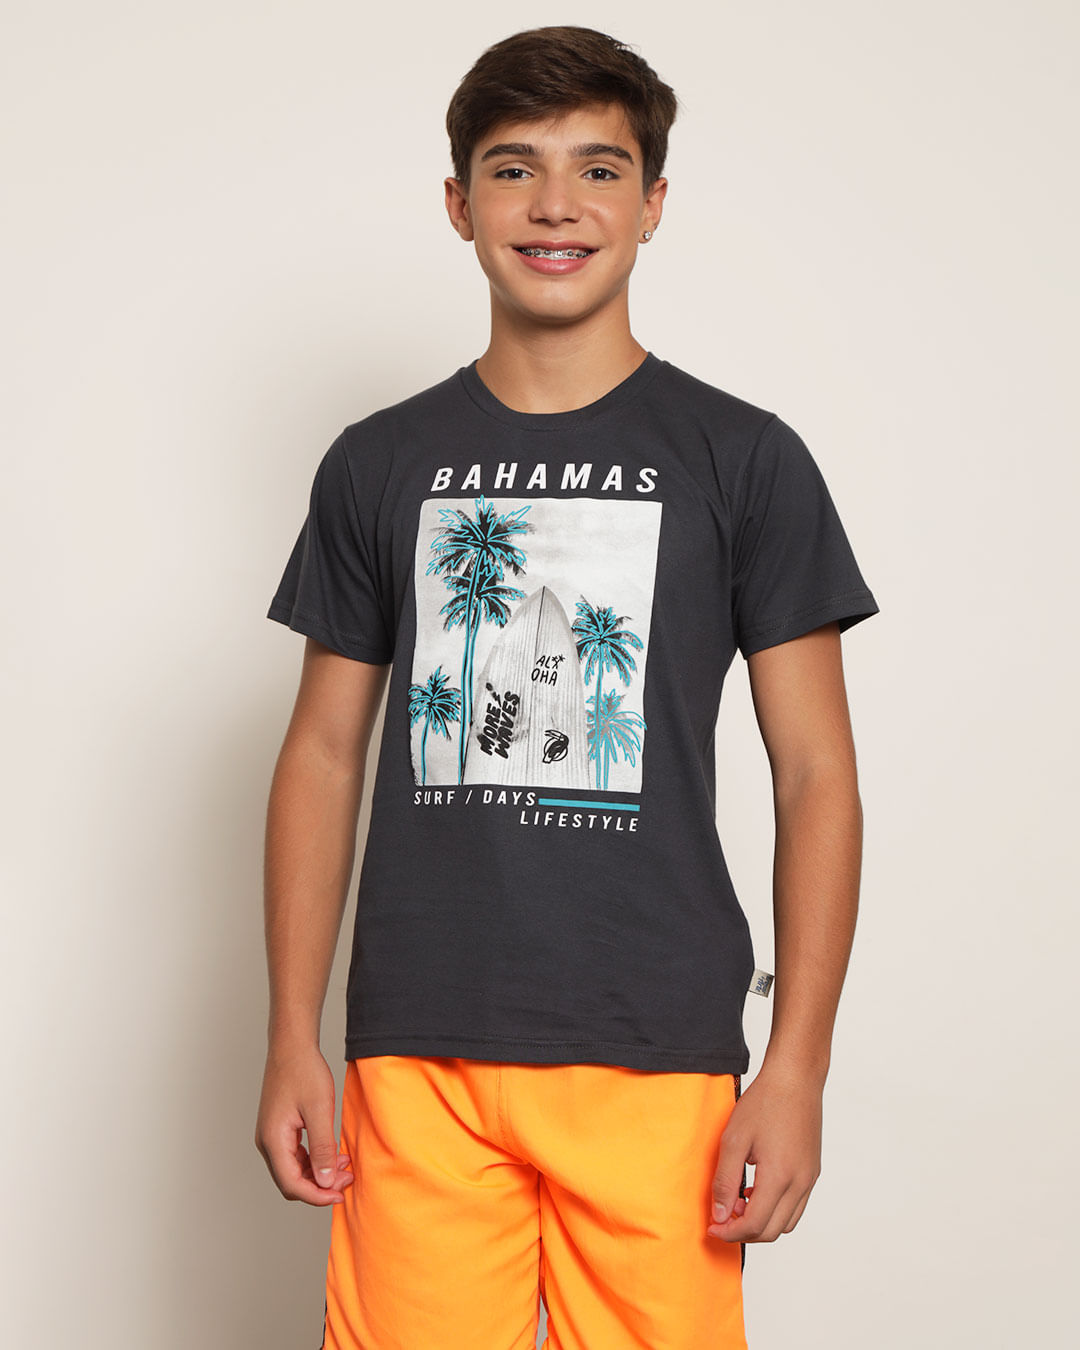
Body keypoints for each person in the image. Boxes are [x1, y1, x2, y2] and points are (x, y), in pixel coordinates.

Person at [255, 24, 879, 1350]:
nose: (555, 205)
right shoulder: (378, 462)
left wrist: (800, 1067)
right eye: (512, 168)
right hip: (418, 1047)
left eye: (599, 169)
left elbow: (817, 773)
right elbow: (321, 752)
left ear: (653, 203)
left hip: (654, 1042)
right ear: (458, 203)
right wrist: (290, 1031)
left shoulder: (744, 459)